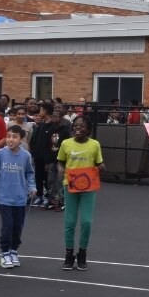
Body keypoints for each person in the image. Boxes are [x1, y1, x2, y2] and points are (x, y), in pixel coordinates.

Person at [0, 124, 35, 269]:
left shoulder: (25, 156)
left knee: (18, 227)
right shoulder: (0, 154)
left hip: (20, 198)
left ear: (21, 139)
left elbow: (30, 173)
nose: (10, 140)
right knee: (7, 226)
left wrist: (32, 187)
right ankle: (4, 253)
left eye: (14, 137)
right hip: (4, 198)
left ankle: (13, 251)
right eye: (8, 136)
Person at [56, 115, 106, 271]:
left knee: (86, 222)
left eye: (82, 126)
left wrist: (102, 167)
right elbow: (60, 161)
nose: (78, 128)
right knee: (69, 222)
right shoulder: (66, 143)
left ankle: (82, 253)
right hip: (70, 185)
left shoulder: (94, 145)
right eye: (76, 125)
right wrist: (60, 168)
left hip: (88, 187)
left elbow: (99, 163)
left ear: (88, 130)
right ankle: (69, 254)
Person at [29, 101, 70, 210]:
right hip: (44, 157)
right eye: (53, 116)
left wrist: (58, 159)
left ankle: (58, 200)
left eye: (57, 116)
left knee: (56, 180)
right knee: (44, 179)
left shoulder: (60, 129)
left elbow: (60, 145)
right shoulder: (45, 126)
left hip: (55, 159)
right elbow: (42, 143)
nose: (55, 118)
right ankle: (46, 198)